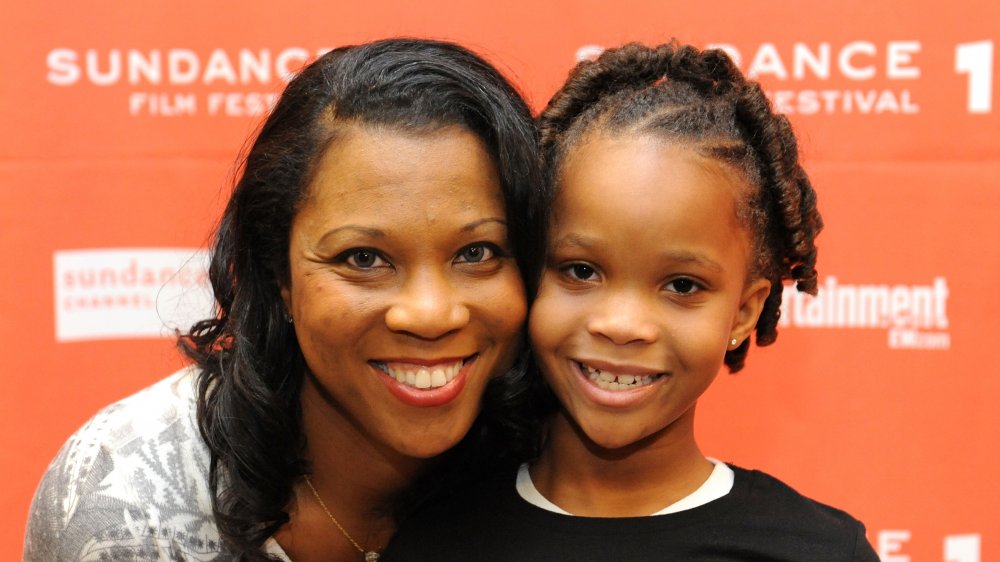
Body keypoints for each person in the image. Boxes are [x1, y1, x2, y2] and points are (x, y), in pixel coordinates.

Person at [24, 38, 543, 562]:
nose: (430, 313)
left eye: (477, 252)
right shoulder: (130, 503)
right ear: (279, 271)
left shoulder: (567, 462)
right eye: (363, 259)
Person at [382, 41, 879, 560]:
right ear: (530, 275)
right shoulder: (435, 540)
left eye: (682, 286)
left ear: (745, 311)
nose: (622, 325)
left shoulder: (817, 551)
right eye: (581, 271)